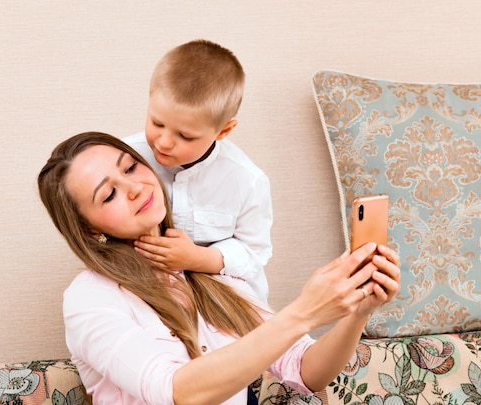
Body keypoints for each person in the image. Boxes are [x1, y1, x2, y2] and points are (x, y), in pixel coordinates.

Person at [37, 131, 401, 405]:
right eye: (109, 194)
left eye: (131, 167)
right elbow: (176, 391)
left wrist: (358, 311)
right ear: (89, 228)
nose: (133, 187)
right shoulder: (90, 297)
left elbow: (307, 370)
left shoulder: (210, 269)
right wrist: (303, 312)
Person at [123, 39, 272, 302]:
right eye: (157, 123)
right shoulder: (124, 158)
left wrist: (196, 258)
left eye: (185, 136)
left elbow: (255, 253)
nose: (164, 142)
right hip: (151, 296)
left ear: (223, 131)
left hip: (224, 301)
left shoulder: (247, 180)